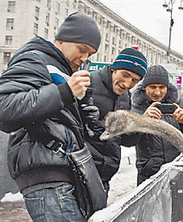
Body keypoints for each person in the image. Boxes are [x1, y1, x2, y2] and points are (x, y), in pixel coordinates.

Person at [0, 12, 101, 221]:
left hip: (61, 172)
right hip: (46, 176)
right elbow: (4, 106)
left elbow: (54, 114)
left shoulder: (60, 68)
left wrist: (83, 113)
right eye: (82, 50)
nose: (84, 58)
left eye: (89, 54)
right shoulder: (35, 58)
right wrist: (65, 92)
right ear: (62, 39)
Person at [80, 48, 148, 195]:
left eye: (135, 81)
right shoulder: (88, 83)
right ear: (114, 69)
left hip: (104, 176)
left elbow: (124, 140)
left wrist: (142, 124)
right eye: (125, 75)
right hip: (79, 172)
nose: (127, 84)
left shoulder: (126, 97)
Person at [129, 65, 183, 185]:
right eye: (152, 87)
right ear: (144, 87)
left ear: (167, 87)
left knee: (178, 203)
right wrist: (142, 121)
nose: (157, 92)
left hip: (177, 169)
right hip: (149, 174)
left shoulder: (181, 103)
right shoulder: (135, 107)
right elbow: (128, 140)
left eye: (161, 87)